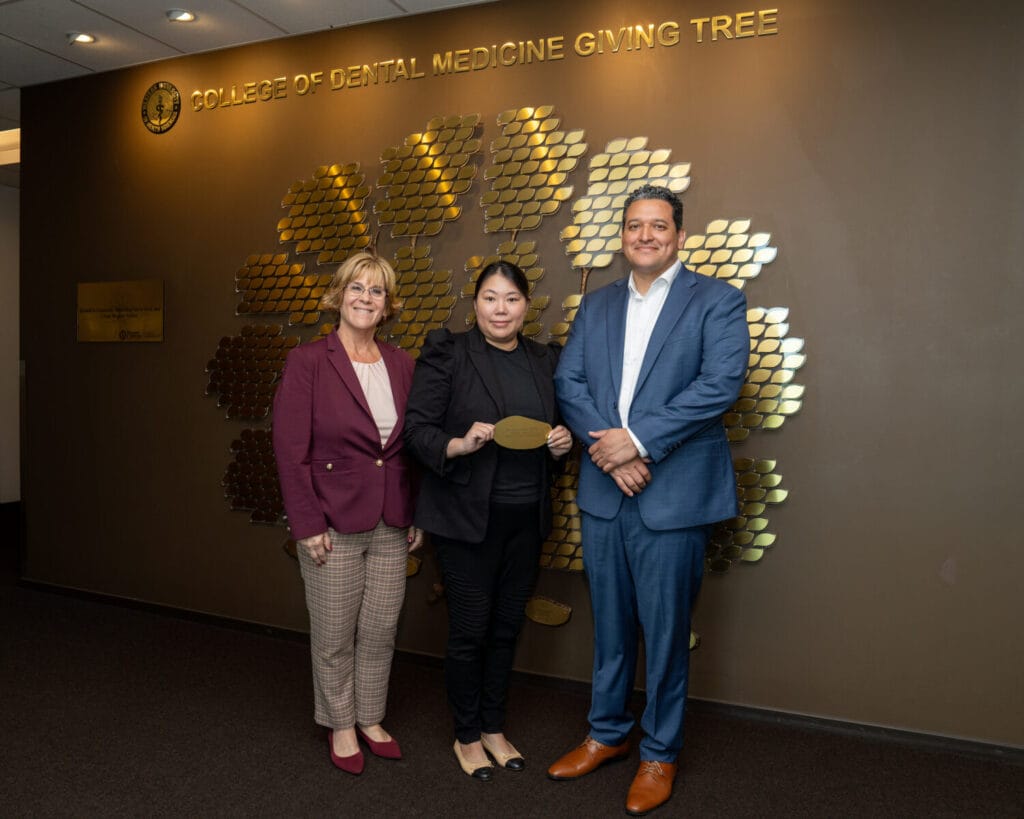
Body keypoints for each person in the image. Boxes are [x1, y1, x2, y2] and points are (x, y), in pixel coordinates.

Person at [548, 184, 749, 815]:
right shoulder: (598, 304)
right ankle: (607, 733)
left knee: (664, 633)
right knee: (610, 626)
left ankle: (660, 752)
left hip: (673, 494)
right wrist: (611, 455)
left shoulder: (716, 300)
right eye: (635, 225)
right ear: (624, 235)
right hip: (608, 494)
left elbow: (720, 384)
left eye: (658, 226)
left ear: (679, 236)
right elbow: (569, 380)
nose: (645, 235)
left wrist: (634, 443)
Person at [403, 260, 573, 781]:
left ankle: (496, 727)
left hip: (527, 518)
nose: (501, 309)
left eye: (512, 299)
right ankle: (468, 734)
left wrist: (562, 445)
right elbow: (416, 429)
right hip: (465, 519)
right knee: (470, 631)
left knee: (505, 629)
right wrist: (458, 443)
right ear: (474, 303)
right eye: (490, 298)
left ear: (527, 306)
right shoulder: (448, 352)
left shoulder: (546, 359)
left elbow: (556, 433)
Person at [272, 251, 423, 775]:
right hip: (331, 521)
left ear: (388, 306)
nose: (365, 298)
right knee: (335, 633)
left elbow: (410, 448)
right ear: (338, 296)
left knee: (381, 629)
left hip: (392, 520)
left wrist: (416, 514)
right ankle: (340, 723)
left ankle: (371, 717)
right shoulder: (309, 361)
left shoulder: (402, 364)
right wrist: (306, 523)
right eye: (356, 288)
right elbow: (290, 450)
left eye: (376, 291)